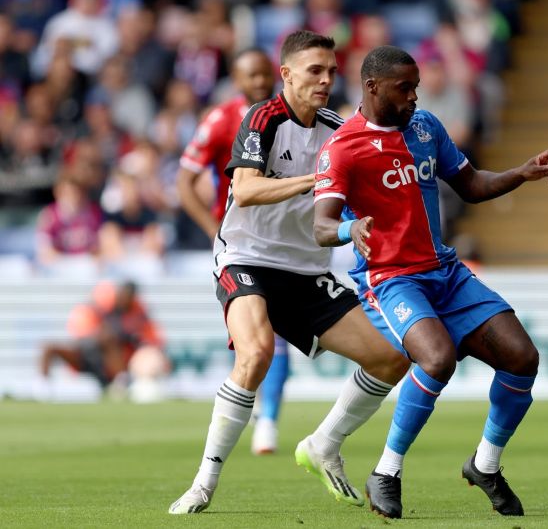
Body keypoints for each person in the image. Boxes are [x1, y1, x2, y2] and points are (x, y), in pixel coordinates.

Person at [313, 45, 548, 519]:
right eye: (404, 88)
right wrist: (351, 228)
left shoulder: (426, 127)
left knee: (522, 357)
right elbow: (321, 225)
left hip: (445, 273)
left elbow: (471, 185)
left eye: (415, 87)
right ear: (372, 87)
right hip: (391, 280)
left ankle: (485, 465)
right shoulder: (342, 148)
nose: (414, 97)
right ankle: (386, 471)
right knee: (437, 358)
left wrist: (521, 173)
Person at [168, 31, 410, 515]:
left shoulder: (338, 130)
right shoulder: (262, 119)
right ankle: (203, 483)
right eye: (314, 70)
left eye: (331, 71)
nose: (325, 80)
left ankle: (323, 444)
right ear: (287, 75)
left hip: (304, 270)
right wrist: (315, 179)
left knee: (390, 361)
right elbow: (246, 189)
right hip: (245, 258)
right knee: (257, 353)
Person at [176, 47, 289, 456]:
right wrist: (213, 229)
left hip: (285, 237)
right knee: (247, 334)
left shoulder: (292, 116)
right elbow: (185, 181)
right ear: (236, 80)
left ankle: (268, 420)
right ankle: (254, 411)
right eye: (250, 76)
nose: (259, 82)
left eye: (264, 74)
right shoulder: (221, 119)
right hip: (239, 242)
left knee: (278, 333)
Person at [39, 280, 166, 394]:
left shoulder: (137, 314)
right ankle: (43, 387)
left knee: (111, 340)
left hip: (112, 362)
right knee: (49, 347)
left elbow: (150, 339)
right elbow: (82, 334)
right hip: (86, 355)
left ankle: (122, 380)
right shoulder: (96, 309)